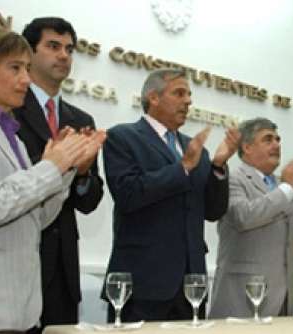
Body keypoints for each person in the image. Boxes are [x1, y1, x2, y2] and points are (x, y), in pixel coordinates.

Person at [0, 24, 99, 332]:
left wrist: (67, 168)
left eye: (27, 68)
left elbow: (36, 218)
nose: (26, 79)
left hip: (19, 312)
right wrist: (52, 166)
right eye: (15, 68)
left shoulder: (11, 133)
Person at [102, 68, 240, 321]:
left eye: (189, 95)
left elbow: (212, 211)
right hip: (143, 282)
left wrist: (218, 166)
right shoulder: (122, 137)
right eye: (179, 93)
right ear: (153, 98)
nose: (188, 101)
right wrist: (182, 168)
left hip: (191, 285)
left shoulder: (195, 148)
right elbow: (128, 194)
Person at [13, 17, 105, 329]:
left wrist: (82, 173)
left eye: (69, 49)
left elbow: (90, 200)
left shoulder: (81, 118)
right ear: (28, 52)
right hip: (16, 258)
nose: (64, 55)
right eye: (53, 46)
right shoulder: (7, 108)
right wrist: (59, 161)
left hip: (63, 265)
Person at [209, 117, 293, 319]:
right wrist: (287, 189)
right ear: (246, 147)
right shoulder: (233, 179)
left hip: (283, 294)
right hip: (242, 296)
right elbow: (243, 217)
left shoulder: (281, 184)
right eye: (268, 139)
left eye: (278, 139)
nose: (277, 145)